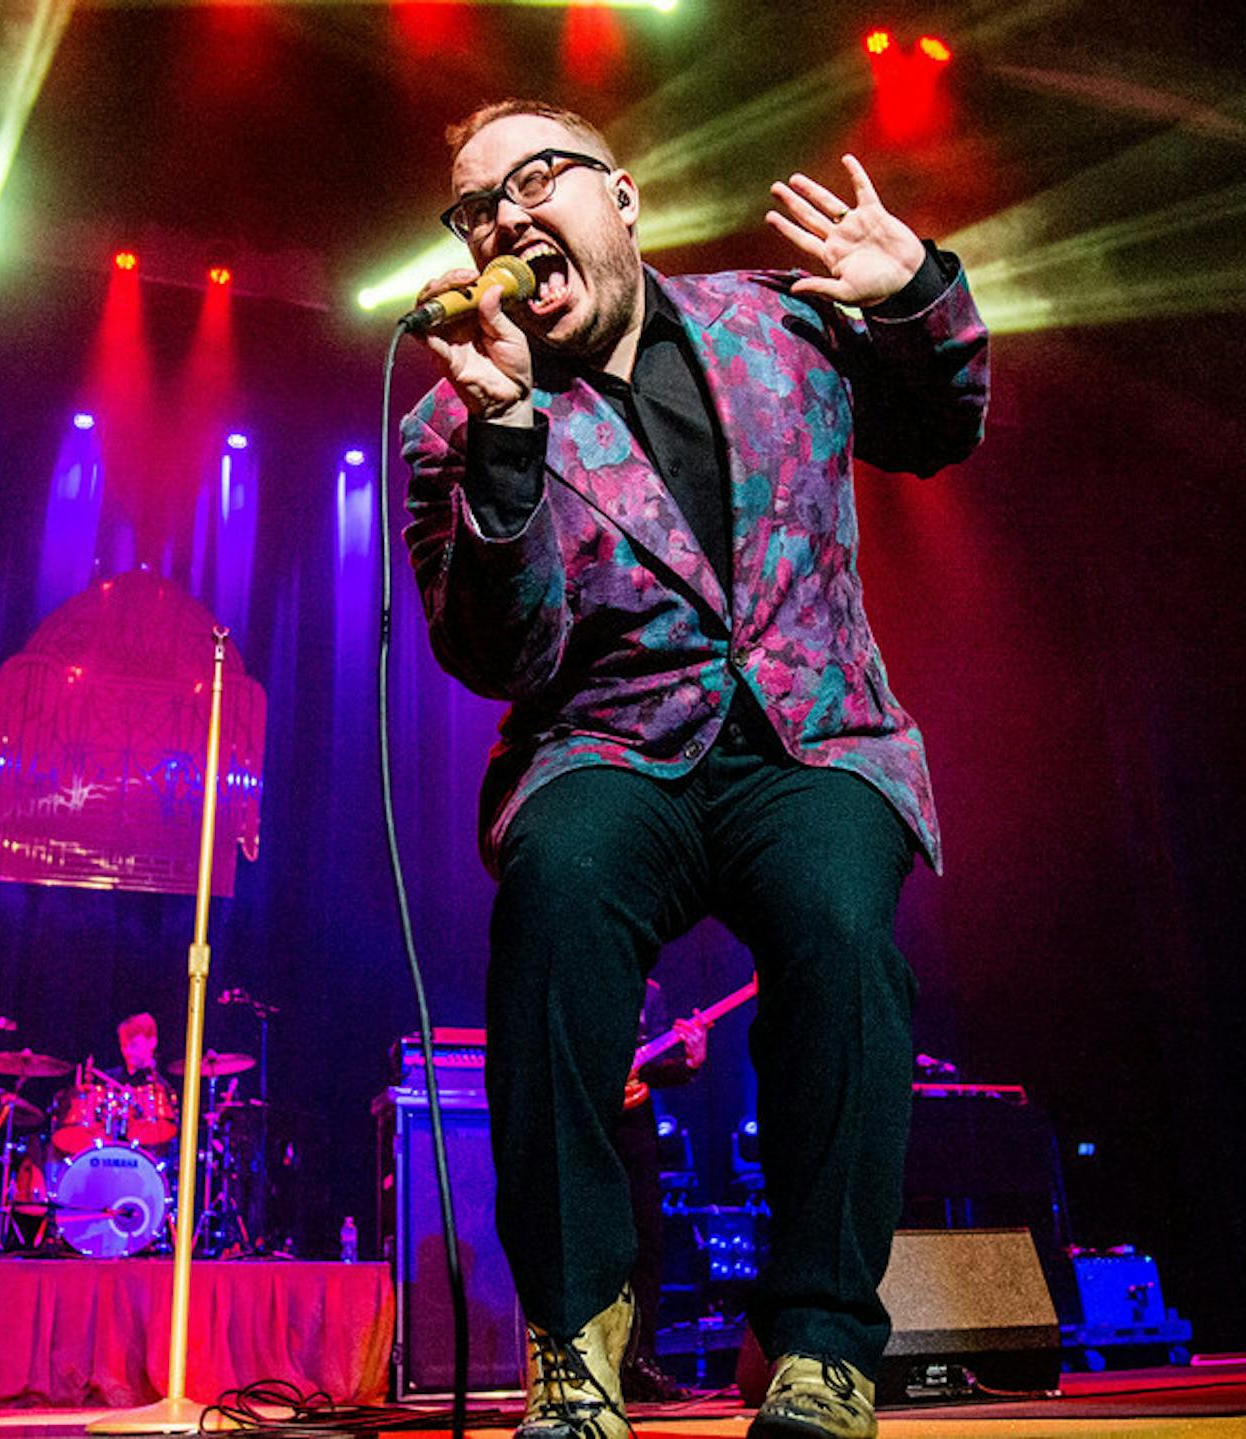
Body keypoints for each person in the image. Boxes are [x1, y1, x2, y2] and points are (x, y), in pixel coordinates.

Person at [400, 98, 988, 1439]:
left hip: (810, 732)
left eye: (533, 178)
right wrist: (505, 442)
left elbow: (939, 423)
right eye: (474, 205)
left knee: (842, 935)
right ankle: (580, 1323)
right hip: (611, 742)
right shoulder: (454, 422)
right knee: (555, 897)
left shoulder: (776, 321)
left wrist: (918, 298)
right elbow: (499, 653)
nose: (501, 218)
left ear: (625, 201)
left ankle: (822, 1335)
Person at [616, 980, 707, 1403]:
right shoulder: (576, 971)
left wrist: (690, 1062)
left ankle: (640, 1361)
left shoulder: (649, 991)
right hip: (587, 1125)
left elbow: (647, 1063)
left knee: (646, 1245)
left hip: (636, 1129)